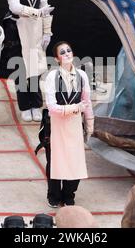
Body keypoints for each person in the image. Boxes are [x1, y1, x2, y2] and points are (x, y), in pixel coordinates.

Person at [2, 0, 54, 122]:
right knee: (22, 68)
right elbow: (14, 7)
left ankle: (36, 104)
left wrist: (47, 31)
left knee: (35, 66)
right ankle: (25, 106)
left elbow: (44, 3)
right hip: (18, 29)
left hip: (36, 30)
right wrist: (37, 13)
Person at [43, 41, 94, 208]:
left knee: (74, 160)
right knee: (56, 162)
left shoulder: (82, 76)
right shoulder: (52, 77)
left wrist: (90, 122)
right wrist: (75, 108)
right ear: (57, 58)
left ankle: (69, 194)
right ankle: (54, 195)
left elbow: (87, 102)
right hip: (56, 125)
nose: (66, 53)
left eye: (69, 50)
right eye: (62, 52)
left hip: (73, 126)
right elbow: (52, 107)